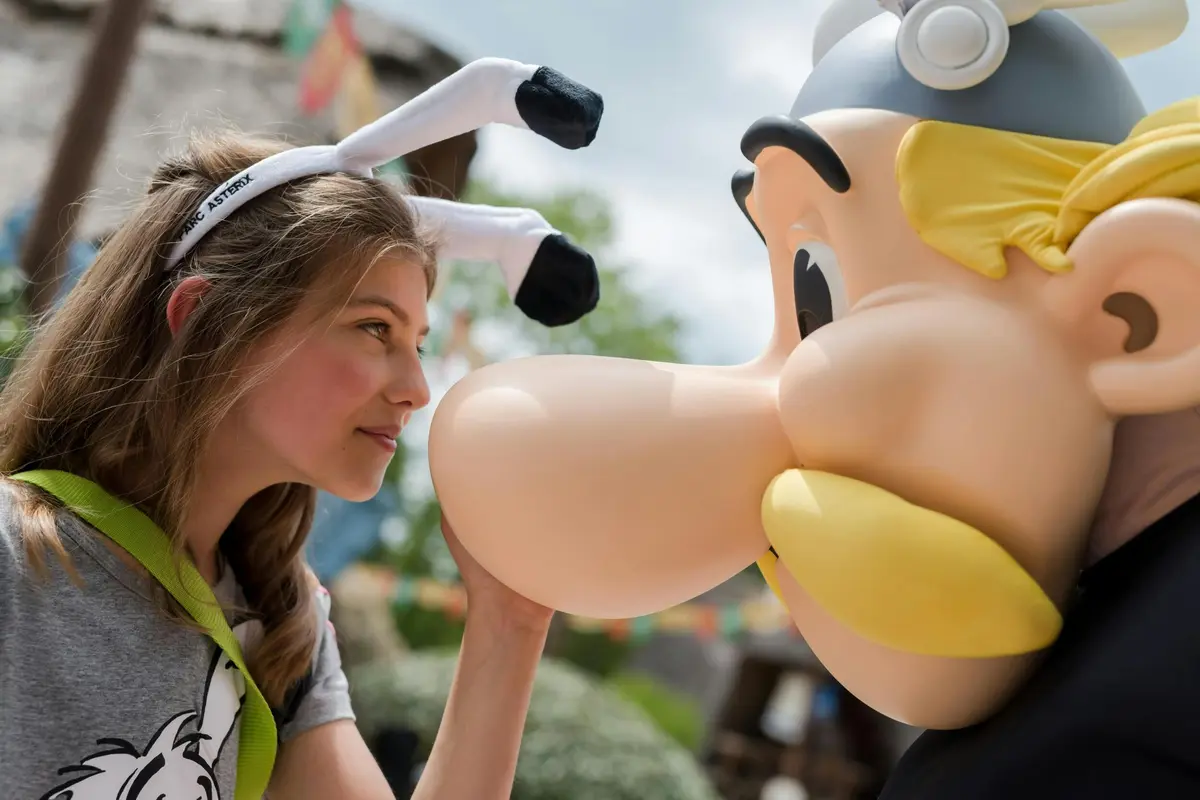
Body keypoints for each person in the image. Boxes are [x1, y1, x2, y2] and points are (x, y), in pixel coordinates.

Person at [0, 56, 604, 800]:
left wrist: (510, 623)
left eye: (418, 343)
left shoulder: (286, 631)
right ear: (204, 322)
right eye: (373, 327)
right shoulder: (15, 562)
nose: (417, 389)